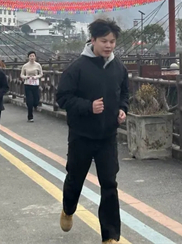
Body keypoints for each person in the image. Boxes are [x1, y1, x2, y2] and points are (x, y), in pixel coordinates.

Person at [56, 19, 129, 244]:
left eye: (112, 41)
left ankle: (110, 236)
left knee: (109, 184)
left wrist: (122, 109)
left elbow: (124, 94)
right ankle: (68, 209)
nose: (109, 46)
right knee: (75, 178)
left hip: (107, 136)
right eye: (104, 41)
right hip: (82, 136)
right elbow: (62, 98)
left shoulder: (119, 68)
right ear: (93, 40)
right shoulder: (77, 68)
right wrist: (88, 106)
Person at [21, 51, 43, 122]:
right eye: (30, 56)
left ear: (35, 57)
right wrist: (26, 77)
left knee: (36, 100)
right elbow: (22, 75)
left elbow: (41, 74)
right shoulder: (25, 66)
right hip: (27, 84)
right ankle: (30, 117)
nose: (32, 57)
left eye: (33, 56)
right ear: (28, 57)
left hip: (35, 84)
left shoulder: (38, 65)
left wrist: (36, 77)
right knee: (29, 101)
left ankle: (35, 106)